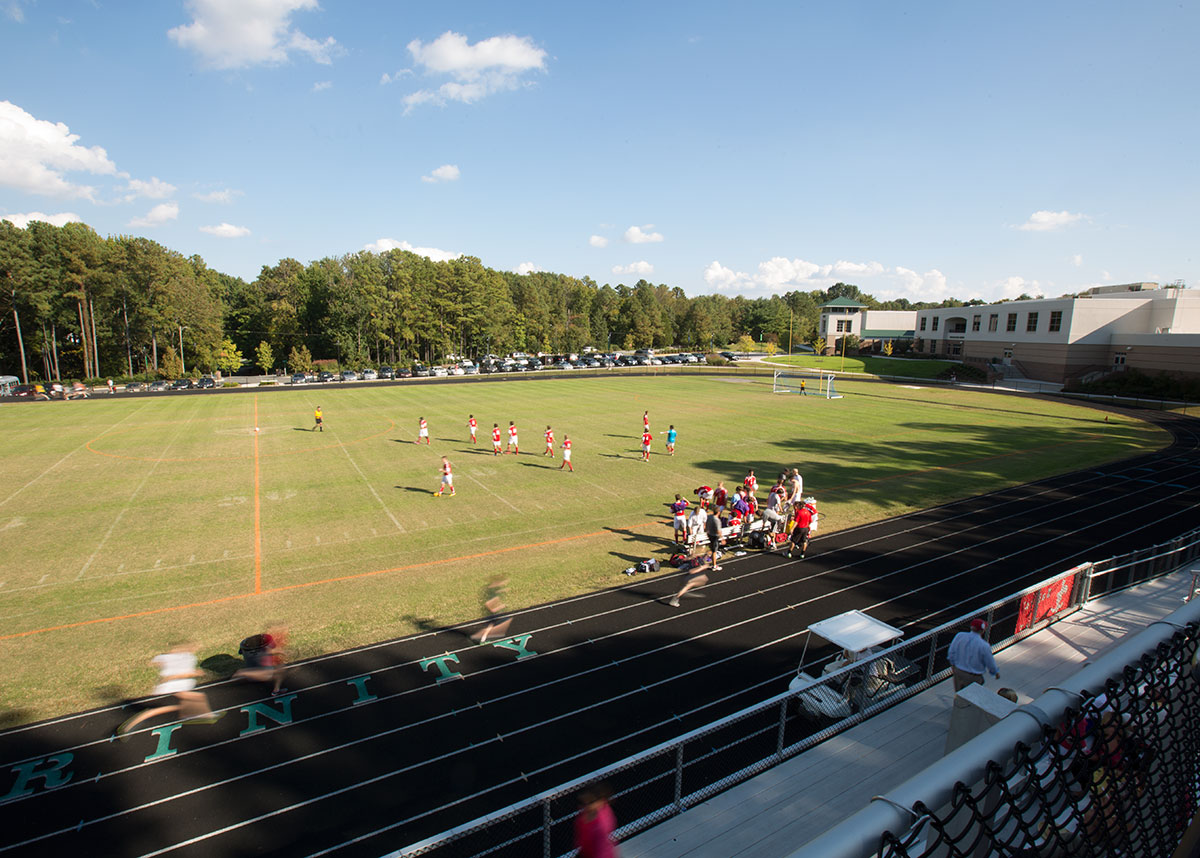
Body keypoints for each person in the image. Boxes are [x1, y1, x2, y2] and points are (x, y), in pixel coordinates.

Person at [116, 642, 220, 735]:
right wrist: (192, 673)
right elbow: (171, 677)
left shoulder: (170, 657)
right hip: (169, 689)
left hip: (170, 689)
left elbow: (152, 662)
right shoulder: (177, 659)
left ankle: (127, 727)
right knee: (195, 698)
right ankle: (204, 715)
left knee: (165, 708)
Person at [947, 619, 1000, 698]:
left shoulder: (959, 636)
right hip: (973, 676)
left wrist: (953, 667)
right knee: (972, 699)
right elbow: (990, 662)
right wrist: (995, 673)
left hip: (958, 672)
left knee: (958, 696)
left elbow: (951, 653)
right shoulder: (984, 645)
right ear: (982, 631)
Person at [234, 625, 288, 695]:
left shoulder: (269, 641)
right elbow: (268, 651)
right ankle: (243, 673)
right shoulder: (271, 643)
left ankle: (276, 690)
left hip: (258, 669)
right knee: (277, 671)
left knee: (280, 668)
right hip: (264, 673)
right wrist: (282, 652)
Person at [573, 783, 618, 858]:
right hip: (585, 851)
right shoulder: (588, 811)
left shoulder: (600, 826)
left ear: (601, 801)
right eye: (582, 802)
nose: (586, 806)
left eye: (591, 802)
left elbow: (601, 851)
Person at [470, 576, 511, 643]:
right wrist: (498, 608)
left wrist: (504, 589)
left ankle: (481, 638)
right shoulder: (492, 593)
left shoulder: (493, 589)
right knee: (502, 621)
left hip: (492, 612)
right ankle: (479, 637)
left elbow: (497, 591)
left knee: (490, 627)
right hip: (492, 612)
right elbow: (489, 603)